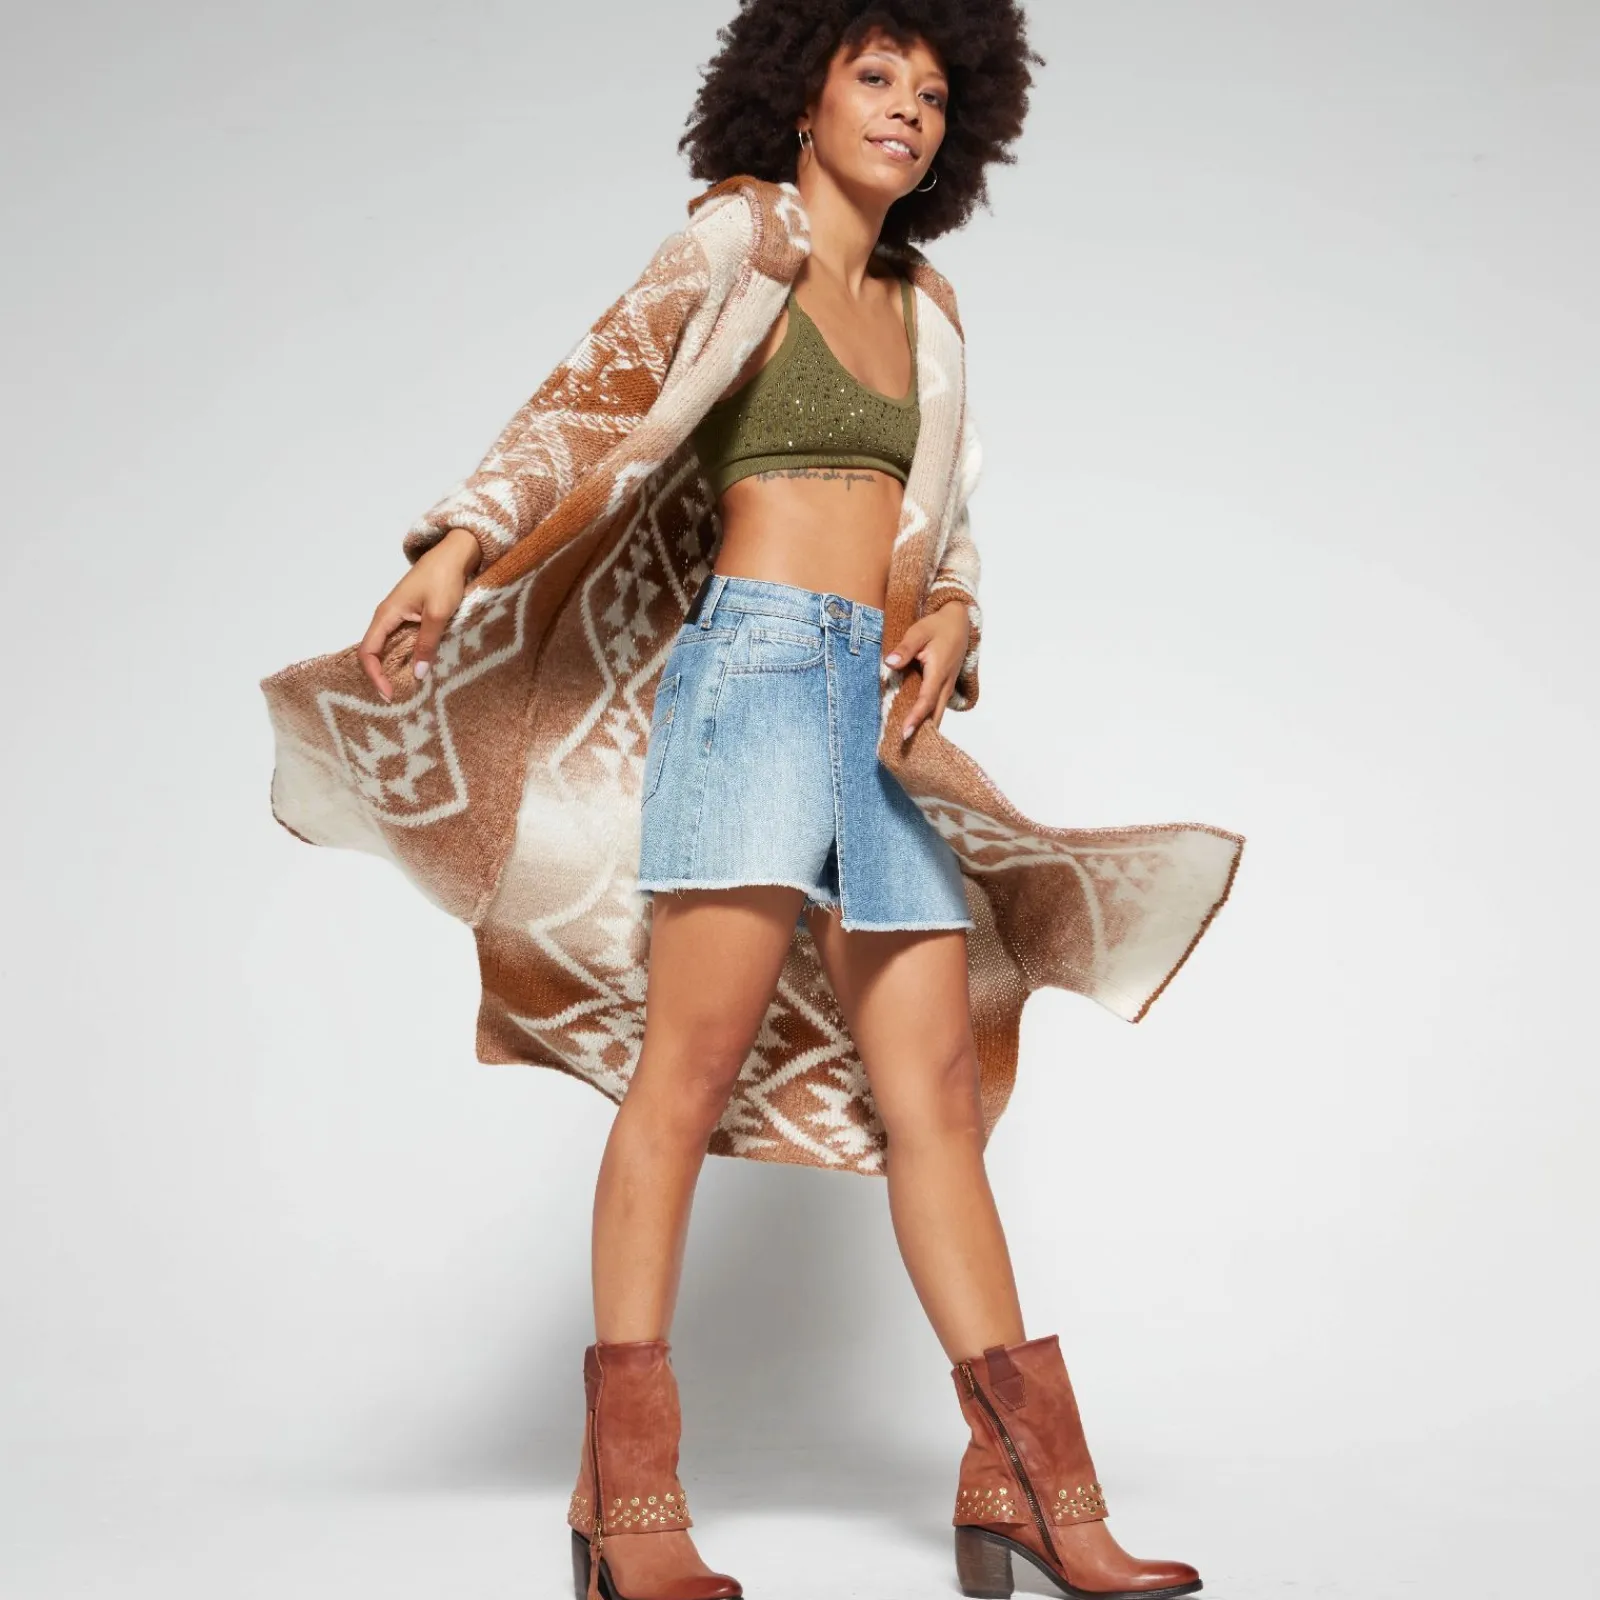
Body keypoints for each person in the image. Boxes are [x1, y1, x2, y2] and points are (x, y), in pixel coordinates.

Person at [266, 6, 1239, 1598]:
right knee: (686, 1072)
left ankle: (1030, 1484)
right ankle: (626, 1500)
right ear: (800, 93)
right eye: (878, 76)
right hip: (754, 682)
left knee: (936, 1096)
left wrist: (956, 617)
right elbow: (586, 398)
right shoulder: (738, 242)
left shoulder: (930, 311)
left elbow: (947, 523)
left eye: (937, 94)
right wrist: (454, 550)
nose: (909, 110)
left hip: (878, 717)